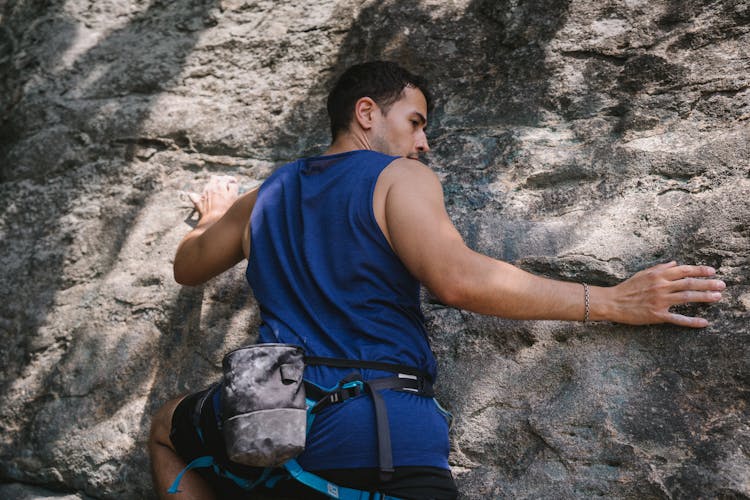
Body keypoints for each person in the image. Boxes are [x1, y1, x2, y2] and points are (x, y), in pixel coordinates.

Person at [148, 61, 726, 499]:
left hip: (265, 422)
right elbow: (457, 281)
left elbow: (187, 267)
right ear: (368, 112)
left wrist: (216, 217)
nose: (423, 142)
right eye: (415, 122)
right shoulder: (399, 177)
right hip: (374, 433)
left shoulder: (269, 191)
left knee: (166, 429)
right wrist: (612, 300)